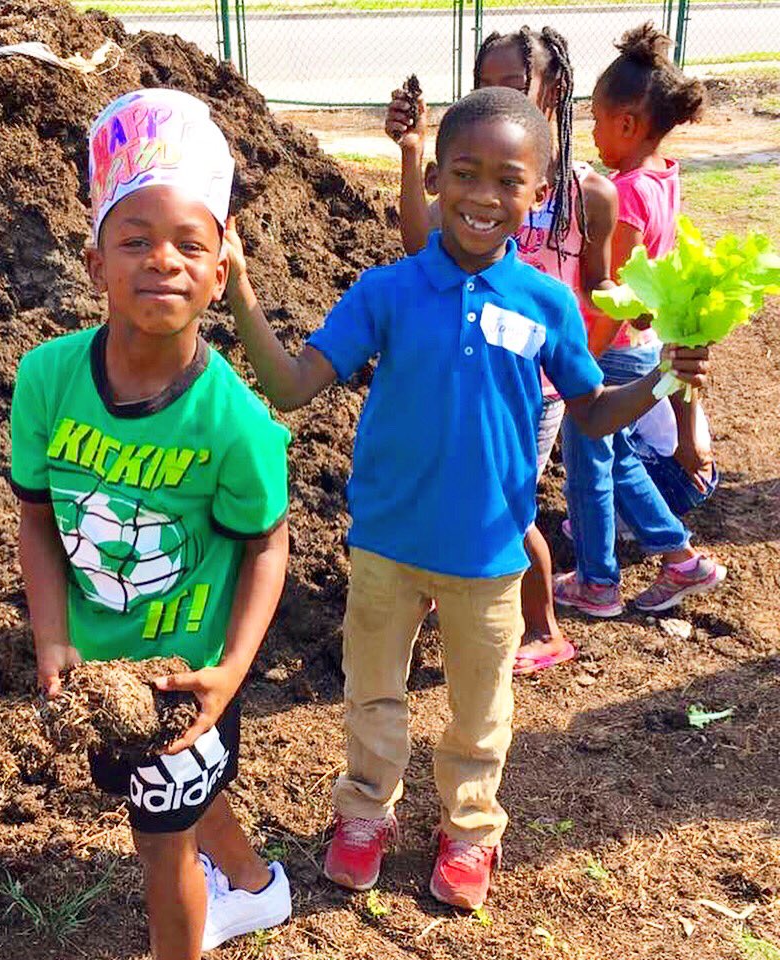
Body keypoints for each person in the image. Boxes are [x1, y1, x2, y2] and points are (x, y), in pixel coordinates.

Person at [224, 86, 712, 910]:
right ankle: (364, 814)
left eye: (508, 180)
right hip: (384, 547)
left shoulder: (548, 303)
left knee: (480, 711)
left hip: (490, 555)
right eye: (464, 173)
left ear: (538, 193)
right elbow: (292, 384)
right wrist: (234, 287)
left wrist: (665, 377)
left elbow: (590, 412)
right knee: (371, 693)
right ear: (436, 181)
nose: (484, 196)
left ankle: (470, 828)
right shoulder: (388, 291)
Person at [10, 89, 292, 959]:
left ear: (218, 273)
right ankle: (253, 886)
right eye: (135, 240)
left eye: (189, 245)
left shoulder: (236, 423)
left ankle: (188, 938)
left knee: (158, 843)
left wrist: (230, 675)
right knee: (170, 797)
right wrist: (52, 637)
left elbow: (267, 548)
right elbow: (37, 519)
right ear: (95, 263)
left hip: (184, 679)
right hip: (98, 667)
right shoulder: (46, 380)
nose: (162, 261)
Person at [385, 26, 619, 675]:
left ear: (556, 89)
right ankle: (449, 581)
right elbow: (415, 243)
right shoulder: (476, 185)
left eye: (514, 85)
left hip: (535, 385)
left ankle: (545, 628)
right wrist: (410, 154)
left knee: (505, 502)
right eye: (488, 84)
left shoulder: (581, 191)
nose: (500, 96)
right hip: (466, 369)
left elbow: (595, 285)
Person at [554, 23, 725, 617]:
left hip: (613, 343)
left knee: (593, 452)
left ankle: (613, 577)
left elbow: (614, 293)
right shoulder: (663, 175)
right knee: (606, 454)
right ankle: (648, 565)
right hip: (639, 345)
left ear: (627, 123)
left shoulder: (623, 193)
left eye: (597, 119)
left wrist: (581, 359)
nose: (593, 132)